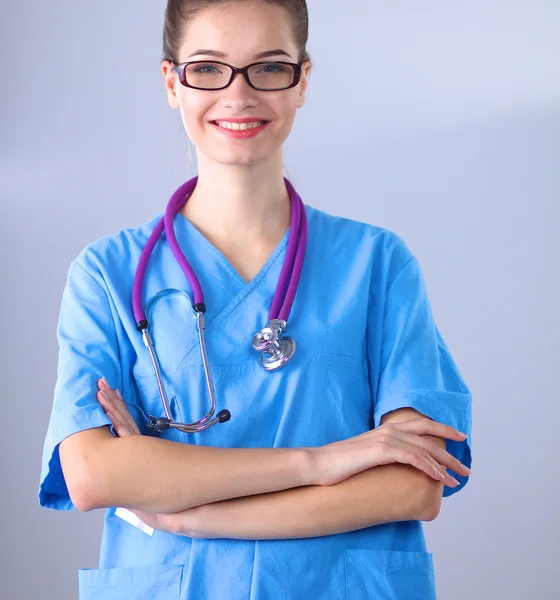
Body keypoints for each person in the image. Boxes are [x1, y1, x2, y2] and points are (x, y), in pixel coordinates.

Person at [38, 1, 473, 598]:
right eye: (209, 68)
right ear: (172, 82)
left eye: (268, 67)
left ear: (302, 81)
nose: (238, 95)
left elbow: (412, 485)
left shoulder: (376, 264)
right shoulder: (107, 274)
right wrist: (324, 462)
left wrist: (188, 512)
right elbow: (90, 473)